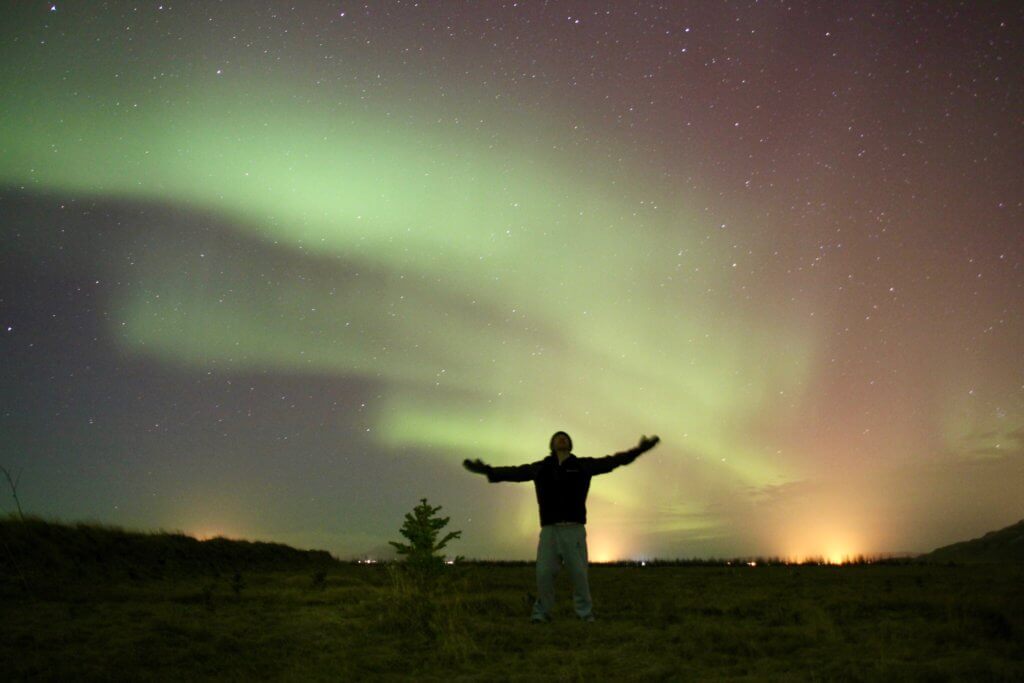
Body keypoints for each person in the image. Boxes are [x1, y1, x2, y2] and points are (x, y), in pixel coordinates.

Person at [463, 431, 660, 622]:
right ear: (552, 445)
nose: (561, 439)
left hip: (573, 529)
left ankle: (585, 615)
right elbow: (515, 472)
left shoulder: (583, 465)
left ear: (570, 444)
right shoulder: (541, 467)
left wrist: (639, 450)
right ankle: (541, 614)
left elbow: (613, 461)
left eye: (565, 437)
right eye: (558, 438)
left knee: (579, 575)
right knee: (544, 574)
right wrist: (488, 471)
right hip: (549, 530)